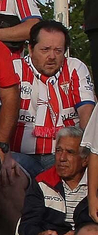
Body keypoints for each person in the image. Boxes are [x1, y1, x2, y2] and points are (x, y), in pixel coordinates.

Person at [8, 21, 94, 179]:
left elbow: (86, 113)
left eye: (58, 51)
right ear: (31, 49)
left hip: (64, 158)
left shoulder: (75, 67)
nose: (52, 56)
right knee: (7, 172)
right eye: (45, 50)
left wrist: (89, 153)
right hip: (19, 155)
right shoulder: (13, 68)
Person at [20, 127, 92, 235]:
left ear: (85, 159)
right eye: (59, 151)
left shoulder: (95, 184)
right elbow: (27, 225)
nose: (62, 158)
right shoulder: (42, 182)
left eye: (70, 152)